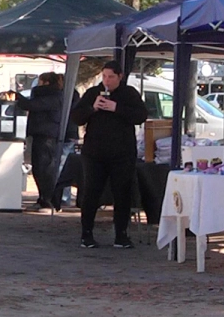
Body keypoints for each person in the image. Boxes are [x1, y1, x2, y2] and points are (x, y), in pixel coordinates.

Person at [71, 60, 148, 249]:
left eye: (111, 77)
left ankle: (121, 235)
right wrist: (92, 108)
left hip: (122, 153)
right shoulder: (93, 93)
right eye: (104, 76)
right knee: (91, 192)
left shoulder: (129, 93)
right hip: (95, 153)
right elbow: (76, 117)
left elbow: (141, 116)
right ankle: (86, 234)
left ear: (120, 76)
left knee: (122, 193)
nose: (107, 81)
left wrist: (116, 108)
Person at [9, 72, 64, 211]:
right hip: (41, 134)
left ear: (46, 82)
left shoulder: (53, 97)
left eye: (39, 82)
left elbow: (31, 105)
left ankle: (49, 201)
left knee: (45, 170)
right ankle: (43, 199)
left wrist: (18, 97)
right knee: (39, 169)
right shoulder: (50, 95)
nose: (37, 85)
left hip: (47, 136)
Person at [54, 73, 81, 210]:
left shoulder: (69, 95)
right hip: (69, 133)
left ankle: (63, 197)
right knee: (63, 165)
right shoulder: (73, 94)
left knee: (63, 166)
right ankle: (63, 196)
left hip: (67, 134)